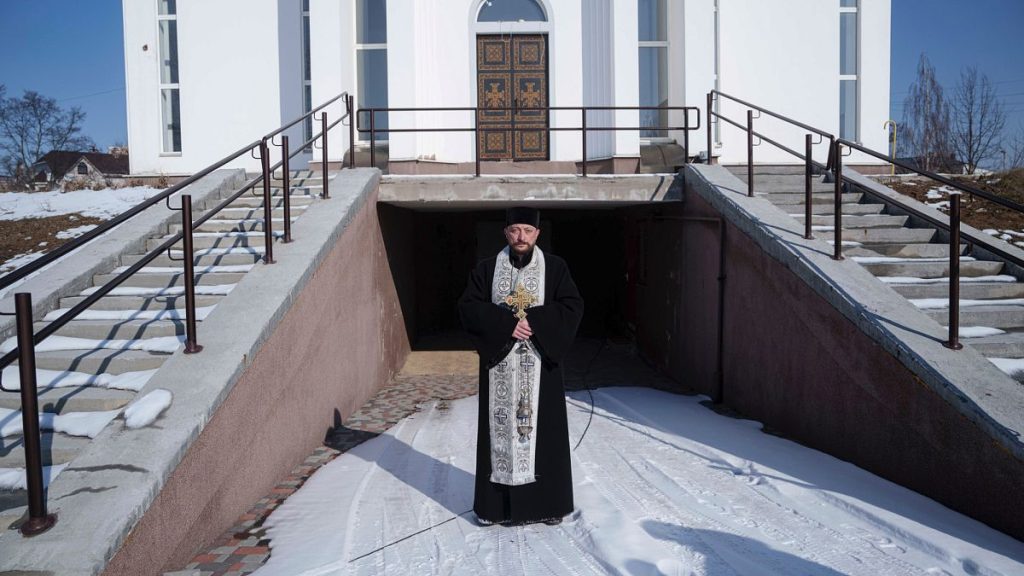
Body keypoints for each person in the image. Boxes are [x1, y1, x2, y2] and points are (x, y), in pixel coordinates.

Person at [458, 207, 584, 526]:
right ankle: (494, 509)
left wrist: (535, 321)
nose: (521, 237)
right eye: (515, 230)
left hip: (542, 369)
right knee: (498, 435)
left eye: (528, 230)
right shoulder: (487, 270)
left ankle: (548, 506)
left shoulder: (555, 268)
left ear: (538, 234)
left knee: (546, 438)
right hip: (500, 365)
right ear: (506, 233)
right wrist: (506, 324)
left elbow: (572, 306)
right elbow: (468, 307)